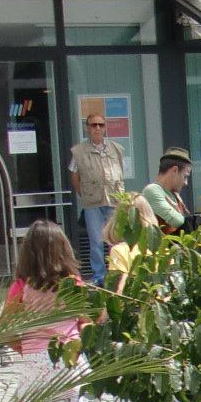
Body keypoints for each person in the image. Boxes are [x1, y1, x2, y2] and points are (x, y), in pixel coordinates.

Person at [5, 220, 87, 402]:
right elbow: (88, 320)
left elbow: (4, 329)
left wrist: (24, 348)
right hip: (67, 359)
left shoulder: (20, 287)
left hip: (34, 360)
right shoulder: (74, 284)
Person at [69, 112, 126, 285]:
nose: (98, 128)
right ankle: (99, 277)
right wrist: (84, 194)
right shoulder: (78, 151)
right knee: (96, 242)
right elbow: (74, 175)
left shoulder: (117, 149)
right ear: (87, 128)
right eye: (94, 125)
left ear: (105, 127)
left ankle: (117, 274)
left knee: (115, 239)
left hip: (114, 201)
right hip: (92, 203)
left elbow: (121, 172)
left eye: (101, 125)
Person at [136, 147, 194, 233]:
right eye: (185, 176)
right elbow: (178, 221)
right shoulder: (152, 190)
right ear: (175, 170)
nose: (186, 183)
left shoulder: (174, 195)